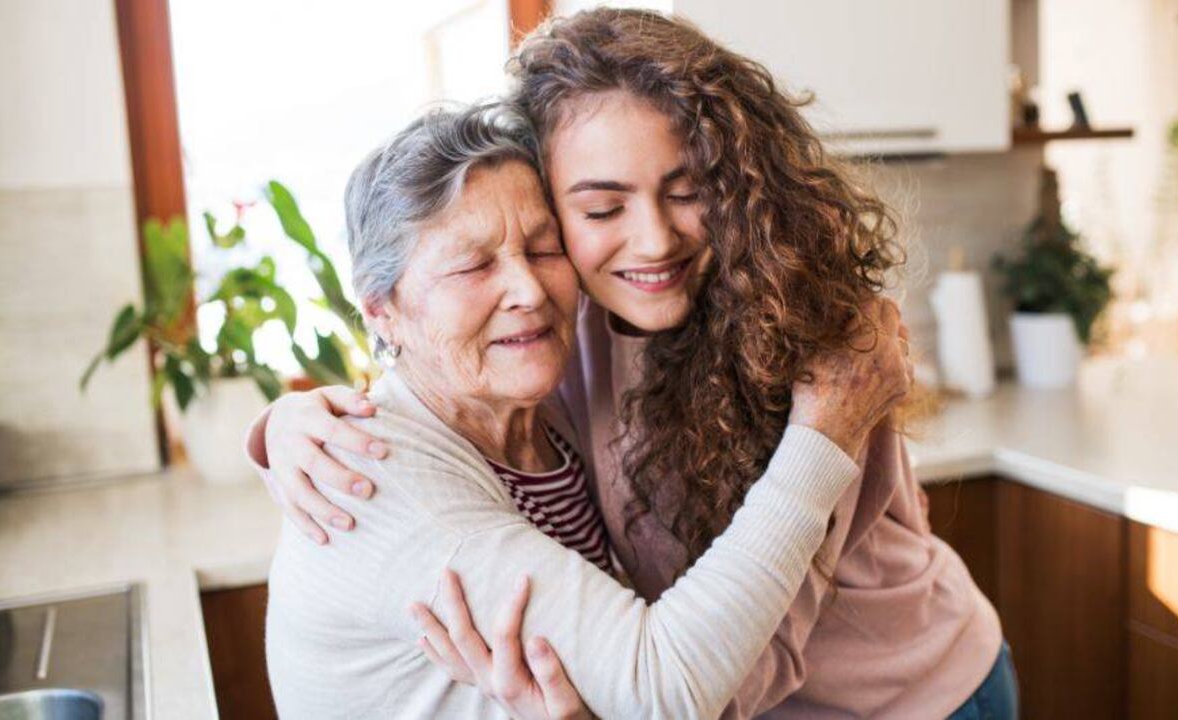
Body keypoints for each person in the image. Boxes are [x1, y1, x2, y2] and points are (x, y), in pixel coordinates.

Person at [253, 9, 1017, 719]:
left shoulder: (803, 335)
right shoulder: (559, 317)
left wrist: (612, 704)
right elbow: (428, 370)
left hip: (911, 694)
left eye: (687, 193)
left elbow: (756, 655)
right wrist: (286, 425)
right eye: (600, 211)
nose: (653, 241)